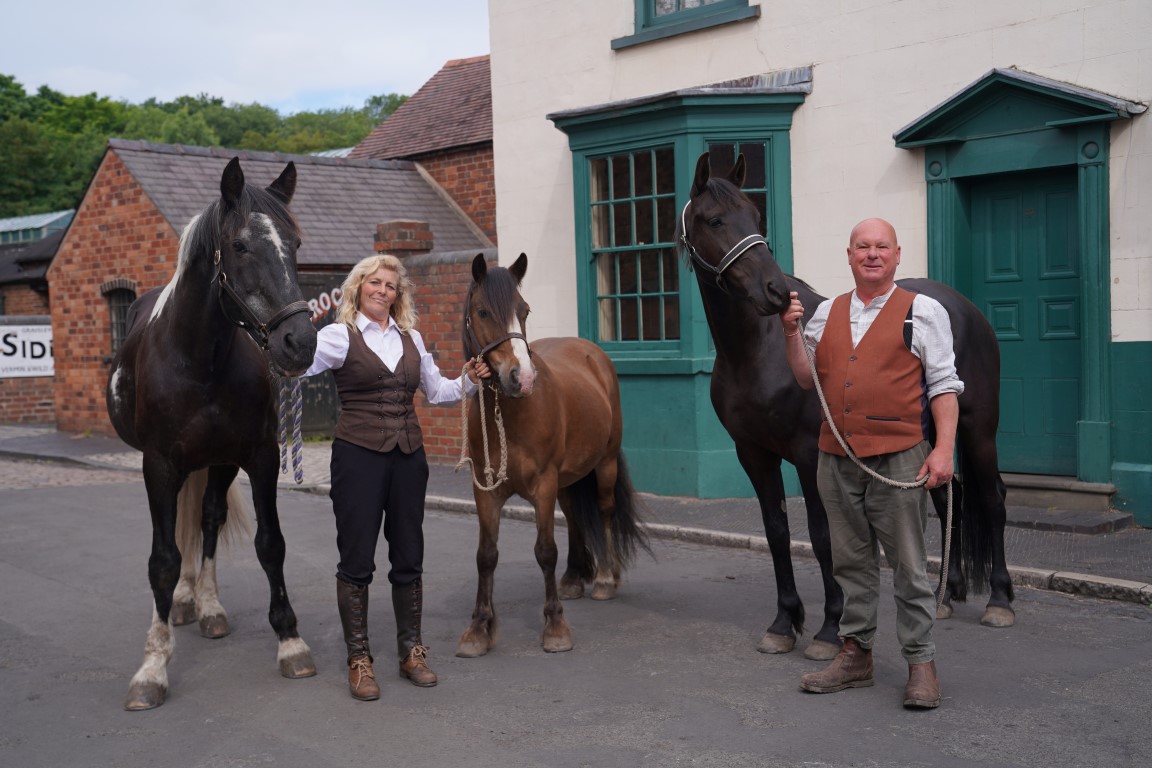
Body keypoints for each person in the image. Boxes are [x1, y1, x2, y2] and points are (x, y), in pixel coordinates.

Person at [780, 218, 962, 710]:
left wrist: (943, 450)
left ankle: (921, 663)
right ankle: (856, 655)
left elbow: (944, 385)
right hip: (835, 459)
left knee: (908, 565)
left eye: (882, 246)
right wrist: (791, 331)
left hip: (900, 457)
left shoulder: (922, 311)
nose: (872, 254)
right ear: (850, 255)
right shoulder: (826, 314)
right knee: (850, 563)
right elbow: (803, 378)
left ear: (898, 255)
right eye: (863, 247)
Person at [303, 253, 489, 702]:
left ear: (397, 294)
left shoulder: (412, 337)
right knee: (357, 560)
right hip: (358, 457)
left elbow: (438, 391)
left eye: (390, 285)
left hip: (409, 457)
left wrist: (469, 380)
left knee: (408, 555)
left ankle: (411, 653)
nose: (382, 290)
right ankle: (360, 660)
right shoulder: (336, 337)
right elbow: (296, 365)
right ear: (358, 287)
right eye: (375, 282)